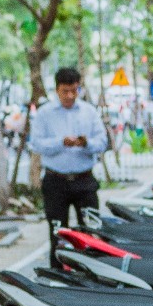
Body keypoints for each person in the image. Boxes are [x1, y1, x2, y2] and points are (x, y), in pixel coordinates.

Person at [29, 66, 107, 228]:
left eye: (74, 90)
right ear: (57, 89)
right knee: (58, 233)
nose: (70, 96)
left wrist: (86, 143)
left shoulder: (89, 112)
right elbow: (36, 144)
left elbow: (102, 142)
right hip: (55, 181)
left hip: (84, 180)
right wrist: (60, 142)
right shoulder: (45, 114)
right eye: (65, 91)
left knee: (91, 230)